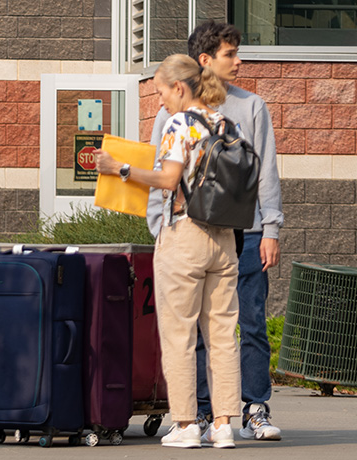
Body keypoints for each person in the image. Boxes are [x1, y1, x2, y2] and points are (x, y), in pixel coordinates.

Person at [95, 53, 243, 449]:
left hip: (185, 235)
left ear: (179, 87)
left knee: (178, 333)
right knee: (223, 335)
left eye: (161, 92)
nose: (159, 101)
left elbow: (168, 178)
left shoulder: (180, 123)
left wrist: (121, 169)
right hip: (225, 239)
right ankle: (225, 424)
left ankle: (186, 423)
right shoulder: (227, 122)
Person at [145, 21, 284, 442]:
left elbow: (264, 173)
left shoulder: (242, 108)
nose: (238, 62)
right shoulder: (207, 117)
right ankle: (212, 418)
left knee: (233, 325)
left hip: (228, 232)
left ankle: (234, 413)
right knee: (217, 331)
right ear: (205, 60)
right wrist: (158, 223)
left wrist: (271, 227)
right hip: (215, 233)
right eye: (230, 54)